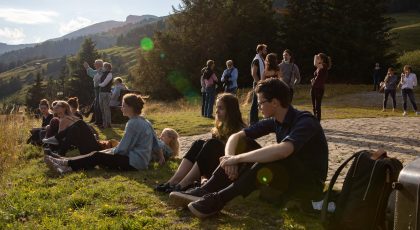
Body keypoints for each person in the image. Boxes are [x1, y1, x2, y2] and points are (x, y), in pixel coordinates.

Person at [169, 78, 329, 218]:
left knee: (267, 158)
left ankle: (217, 200)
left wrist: (237, 159)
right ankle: (205, 190)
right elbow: (236, 136)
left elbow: (283, 150)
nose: (258, 106)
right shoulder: (276, 121)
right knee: (244, 144)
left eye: (261, 102)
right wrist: (230, 159)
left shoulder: (306, 121)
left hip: (309, 183)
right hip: (288, 175)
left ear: (275, 102)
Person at [44, 93, 160, 173]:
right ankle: (64, 162)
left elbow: (122, 149)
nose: (121, 108)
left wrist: (107, 152)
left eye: (123, 105)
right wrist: (162, 158)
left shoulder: (132, 123)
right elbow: (155, 142)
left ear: (131, 107)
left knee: (97, 155)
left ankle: (65, 164)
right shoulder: (145, 121)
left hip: (134, 162)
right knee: (97, 154)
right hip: (139, 161)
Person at [156, 93, 247, 193]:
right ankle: (173, 181)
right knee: (199, 143)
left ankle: (183, 184)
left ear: (231, 111)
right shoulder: (219, 129)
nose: (216, 111)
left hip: (230, 173)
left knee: (213, 144)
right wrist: (203, 178)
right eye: (216, 107)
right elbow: (204, 158)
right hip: (215, 168)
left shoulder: (241, 131)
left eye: (221, 108)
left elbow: (237, 162)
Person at [249, 44, 267, 125]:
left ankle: (255, 120)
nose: (266, 51)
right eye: (265, 49)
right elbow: (253, 73)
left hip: (260, 82)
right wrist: (259, 82)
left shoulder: (261, 59)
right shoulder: (256, 60)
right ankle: (253, 121)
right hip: (257, 83)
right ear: (260, 50)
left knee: (258, 102)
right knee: (255, 102)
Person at [310, 53, 331, 121]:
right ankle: (315, 120)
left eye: (318, 58)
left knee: (317, 106)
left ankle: (318, 122)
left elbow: (315, 64)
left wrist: (315, 56)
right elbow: (318, 77)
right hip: (314, 87)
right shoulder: (319, 67)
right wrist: (313, 81)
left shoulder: (324, 66)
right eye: (317, 58)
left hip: (319, 89)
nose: (317, 59)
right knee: (314, 106)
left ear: (322, 60)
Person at [84, 59, 103, 125]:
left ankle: (98, 120)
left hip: (99, 89)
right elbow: (93, 73)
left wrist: (87, 67)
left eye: (95, 63)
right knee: (96, 104)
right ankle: (96, 119)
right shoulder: (99, 70)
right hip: (98, 89)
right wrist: (87, 67)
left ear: (98, 64)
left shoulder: (101, 70)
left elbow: (93, 74)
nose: (94, 64)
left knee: (97, 105)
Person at [99, 62, 113, 128]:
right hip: (102, 93)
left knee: (106, 109)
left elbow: (104, 83)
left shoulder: (110, 74)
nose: (102, 68)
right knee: (102, 109)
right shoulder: (103, 73)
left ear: (107, 67)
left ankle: (108, 124)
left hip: (106, 93)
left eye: (104, 67)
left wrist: (98, 85)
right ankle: (104, 124)